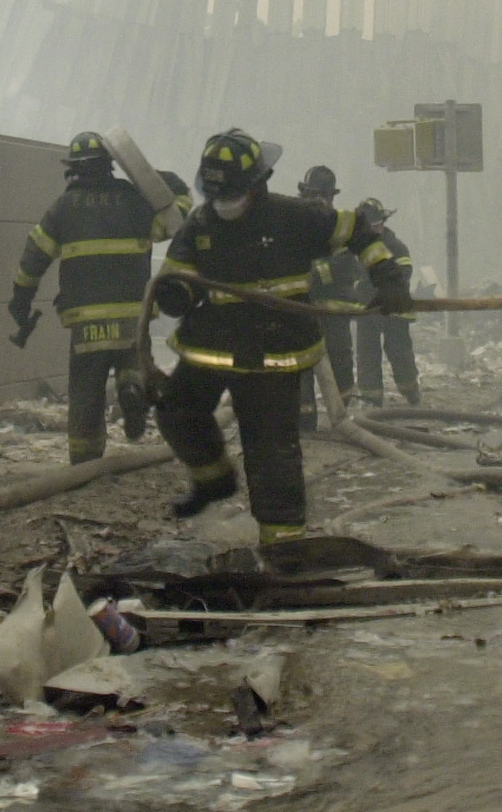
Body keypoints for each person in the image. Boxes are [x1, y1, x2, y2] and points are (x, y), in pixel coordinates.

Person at [152, 130, 409, 546]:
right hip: (214, 342)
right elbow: (181, 275)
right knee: (176, 410)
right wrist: (177, 293)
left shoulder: (297, 216)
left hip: (274, 348)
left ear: (258, 183)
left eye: (233, 195)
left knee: (270, 446)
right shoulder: (200, 223)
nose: (226, 206)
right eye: (219, 197)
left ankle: (284, 540)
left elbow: (357, 231)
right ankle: (213, 480)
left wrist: (388, 276)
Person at [8, 132, 192, 464]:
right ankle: (131, 388)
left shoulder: (63, 208)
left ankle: (85, 460)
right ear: (110, 166)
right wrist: (165, 183)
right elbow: (174, 221)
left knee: (86, 391)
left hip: (86, 319)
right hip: (132, 313)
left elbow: (33, 257)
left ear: (73, 170)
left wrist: (20, 300)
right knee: (132, 361)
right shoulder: (136, 200)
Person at [295, 164, 356, 425]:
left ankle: (341, 412)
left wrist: (315, 274)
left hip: (333, 311)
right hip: (302, 308)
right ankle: (304, 415)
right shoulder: (293, 223)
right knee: (301, 362)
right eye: (314, 194)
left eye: (325, 195)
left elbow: (346, 265)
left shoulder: (339, 225)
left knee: (340, 358)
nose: (320, 200)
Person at [353, 198, 422, 407]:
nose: (376, 229)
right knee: (367, 353)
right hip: (367, 311)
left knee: (400, 352)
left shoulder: (396, 247)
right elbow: (352, 276)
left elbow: (403, 274)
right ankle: (371, 397)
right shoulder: (355, 249)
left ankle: (411, 391)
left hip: (395, 311)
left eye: (377, 224)